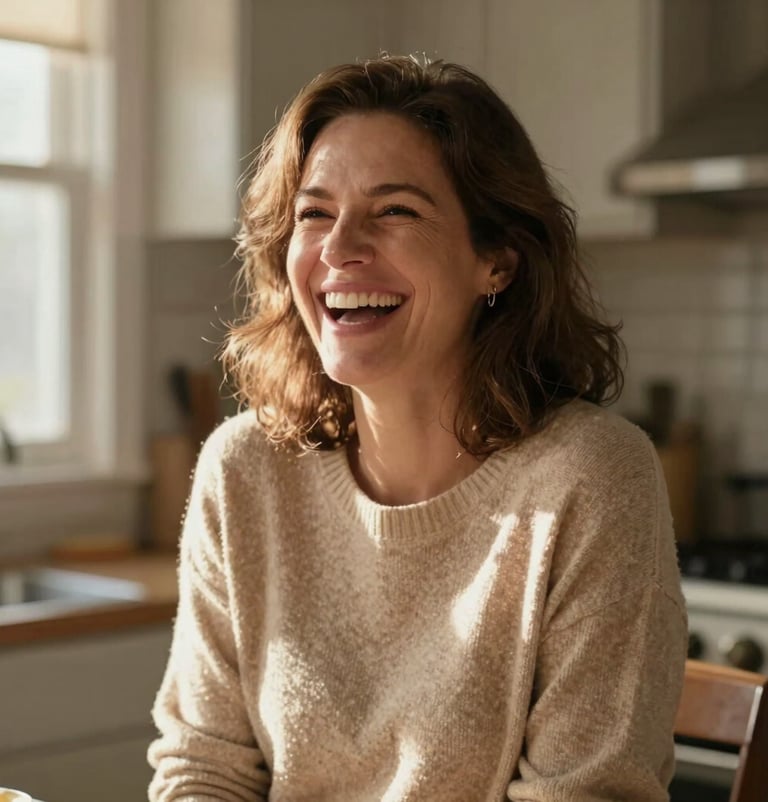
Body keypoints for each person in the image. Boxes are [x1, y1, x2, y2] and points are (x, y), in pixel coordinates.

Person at [148, 55, 688, 801]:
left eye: (395, 210)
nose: (340, 248)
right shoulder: (242, 472)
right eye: (314, 213)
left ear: (495, 260)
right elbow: (201, 767)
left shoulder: (590, 477)